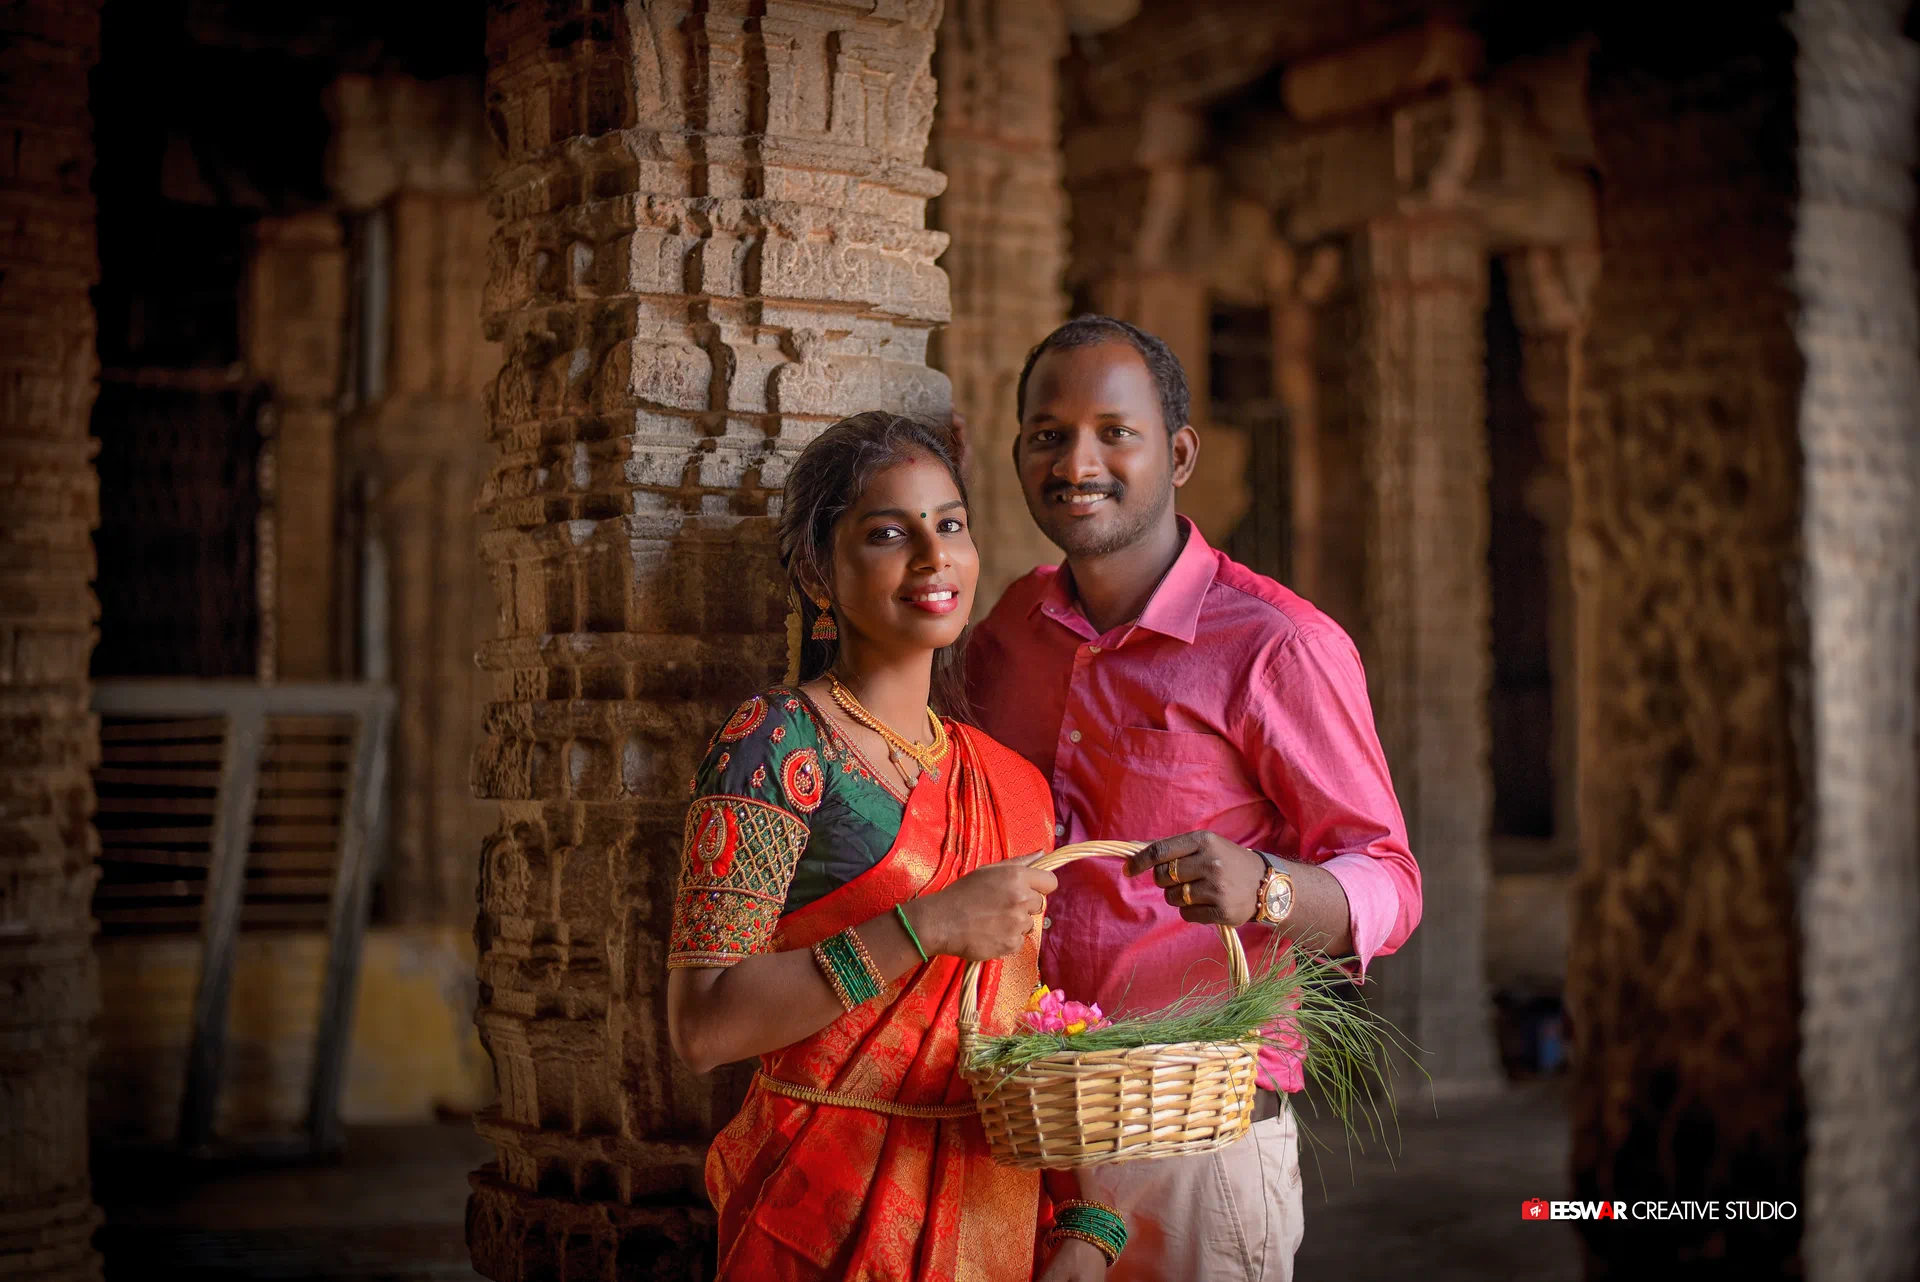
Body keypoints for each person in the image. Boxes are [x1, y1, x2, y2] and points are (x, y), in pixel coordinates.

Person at [964, 317, 1424, 1281]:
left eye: (1112, 432)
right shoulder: (1009, 628)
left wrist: (1268, 887)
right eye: (1047, 435)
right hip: (1019, 1127)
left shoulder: (1275, 647)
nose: (1076, 461)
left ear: (1178, 454)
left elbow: (1390, 880)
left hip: (1194, 1142)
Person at [666, 411, 1127, 1281]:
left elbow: (1022, 1025)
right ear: (816, 569)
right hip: (817, 1213)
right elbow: (702, 1027)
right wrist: (925, 926)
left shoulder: (1010, 785)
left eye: (950, 524)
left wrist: (1087, 1220)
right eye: (889, 533)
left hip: (998, 1210)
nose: (933, 556)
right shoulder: (776, 743)